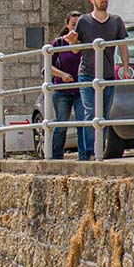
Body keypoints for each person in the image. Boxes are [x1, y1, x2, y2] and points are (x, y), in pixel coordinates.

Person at [75, 0, 128, 161]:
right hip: (87, 73)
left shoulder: (116, 21)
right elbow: (76, 48)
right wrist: (71, 40)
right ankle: (89, 153)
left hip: (107, 74)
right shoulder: (83, 21)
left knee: (104, 115)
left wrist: (126, 67)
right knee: (91, 113)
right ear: (92, 0)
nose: (103, 0)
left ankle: (99, 151)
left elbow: (122, 44)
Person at [46, 14, 82, 160]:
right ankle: (56, 156)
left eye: (78, 25)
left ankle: (85, 154)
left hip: (81, 89)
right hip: (62, 90)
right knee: (61, 124)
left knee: (83, 122)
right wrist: (62, 74)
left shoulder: (85, 43)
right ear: (67, 25)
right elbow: (48, 65)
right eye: (73, 24)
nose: (75, 28)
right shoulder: (59, 43)